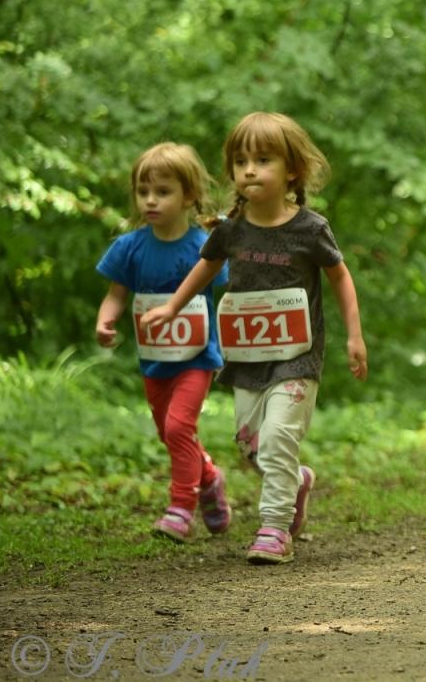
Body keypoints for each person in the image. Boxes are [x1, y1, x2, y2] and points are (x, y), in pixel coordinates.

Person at [141, 112, 367, 564]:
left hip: (298, 357)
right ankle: (295, 480)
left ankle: (274, 527)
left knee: (281, 433)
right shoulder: (230, 230)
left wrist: (354, 336)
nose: (248, 170)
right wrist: (171, 306)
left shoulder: (310, 229)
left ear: (292, 170)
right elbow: (205, 268)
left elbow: (340, 277)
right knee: (252, 447)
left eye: (262, 159)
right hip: (246, 357)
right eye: (240, 160)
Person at [94, 143, 233, 543]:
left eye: (163, 191)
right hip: (154, 359)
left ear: (188, 195)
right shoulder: (130, 247)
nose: (150, 200)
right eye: (143, 191)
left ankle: (180, 509)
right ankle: (209, 478)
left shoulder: (203, 247)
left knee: (178, 427)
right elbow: (117, 293)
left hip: (197, 356)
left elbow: (224, 294)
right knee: (169, 432)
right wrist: (106, 319)